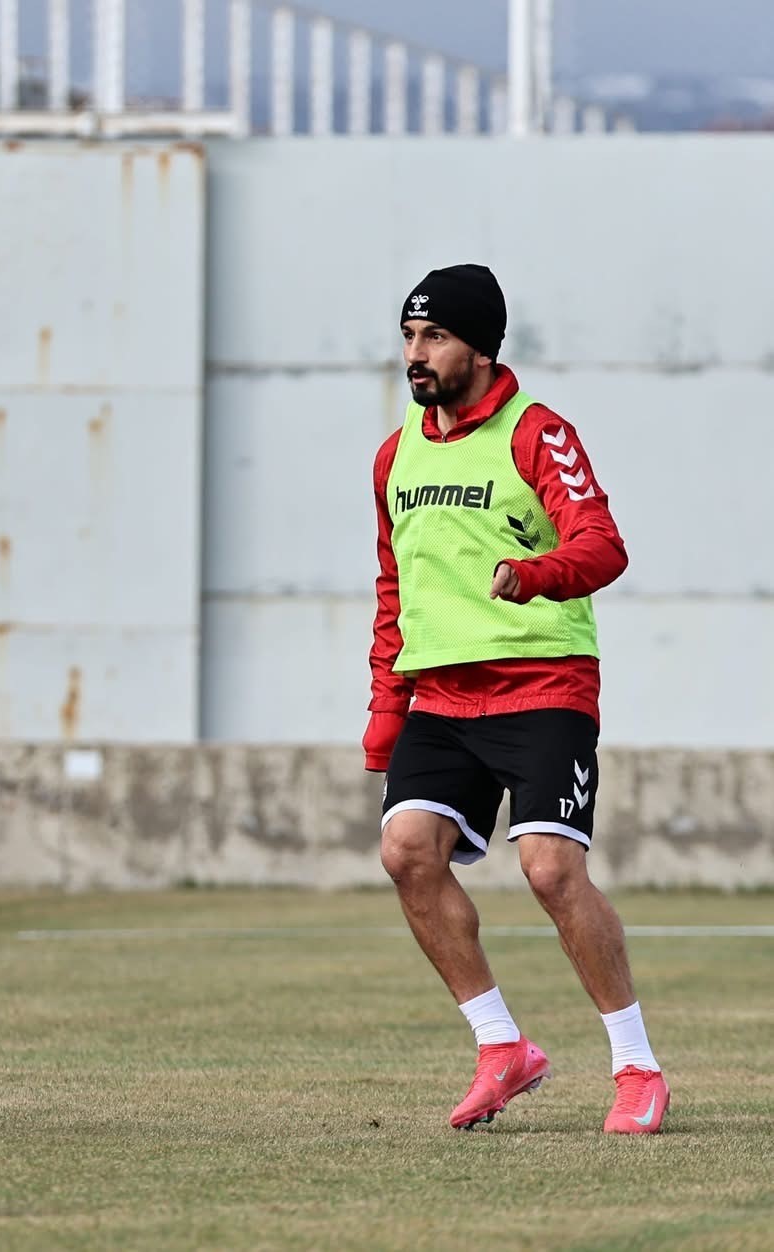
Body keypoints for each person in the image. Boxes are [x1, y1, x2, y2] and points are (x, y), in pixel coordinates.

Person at [365, 263, 668, 1134]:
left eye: (436, 338)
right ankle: (502, 1046)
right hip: (444, 698)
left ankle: (637, 1066)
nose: (417, 356)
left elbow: (602, 546)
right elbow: (394, 590)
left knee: (548, 869)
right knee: (405, 852)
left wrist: (536, 575)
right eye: (410, 338)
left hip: (543, 686)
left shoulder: (539, 434)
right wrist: (387, 710)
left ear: (481, 347)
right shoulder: (396, 455)